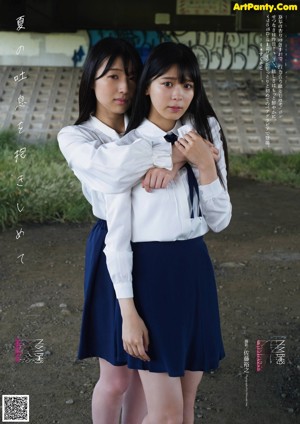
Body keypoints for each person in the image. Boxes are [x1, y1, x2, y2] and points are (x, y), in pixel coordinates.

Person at [102, 42, 232, 424]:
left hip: (194, 268)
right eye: (167, 83)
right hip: (150, 276)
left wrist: (204, 166)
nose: (178, 95)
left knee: (186, 407)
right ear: (146, 87)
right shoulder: (125, 150)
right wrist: (128, 313)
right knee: (166, 415)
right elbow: (117, 240)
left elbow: (221, 220)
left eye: (188, 85)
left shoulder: (204, 134)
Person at [58, 38, 181, 424]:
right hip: (112, 245)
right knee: (115, 380)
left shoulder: (143, 126)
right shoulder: (76, 136)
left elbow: (190, 151)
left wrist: (170, 157)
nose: (124, 87)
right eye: (112, 76)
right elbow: (112, 174)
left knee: (145, 373)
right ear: (90, 81)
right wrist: (166, 154)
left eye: (131, 76)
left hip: (151, 250)